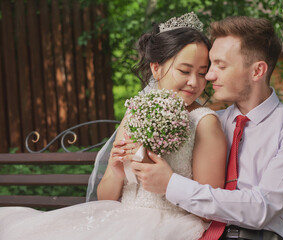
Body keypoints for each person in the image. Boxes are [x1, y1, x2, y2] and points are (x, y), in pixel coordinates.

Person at [0, 12, 227, 240]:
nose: (194, 82)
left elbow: (210, 211)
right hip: (118, 219)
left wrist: (168, 183)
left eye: (201, 73)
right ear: (156, 68)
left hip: (171, 226)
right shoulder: (136, 112)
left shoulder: (204, 122)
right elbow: (105, 199)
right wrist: (117, 170)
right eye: (184, 71)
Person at [124, 16, 283, 240]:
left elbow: (261, 209)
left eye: (220, 65)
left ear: (257, 71)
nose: (209, 76)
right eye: (210, 66)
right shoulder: (208, 123)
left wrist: (171, 184)